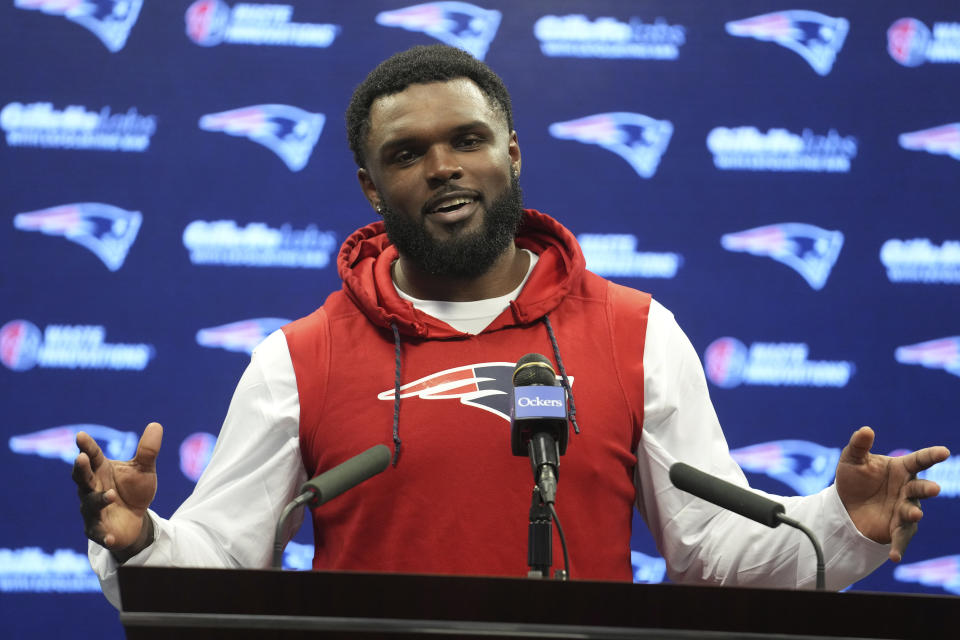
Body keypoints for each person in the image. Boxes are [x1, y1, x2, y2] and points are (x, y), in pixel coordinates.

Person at [75, 45, 949, 609]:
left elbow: (713, 554)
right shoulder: (298, 357)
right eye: (406, 154)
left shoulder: (635, 331)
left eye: (467, 139)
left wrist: (841, 521)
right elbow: (222, 561)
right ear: (372, 190)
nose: (444, 167)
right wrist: (142, 542)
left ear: (513, 155)